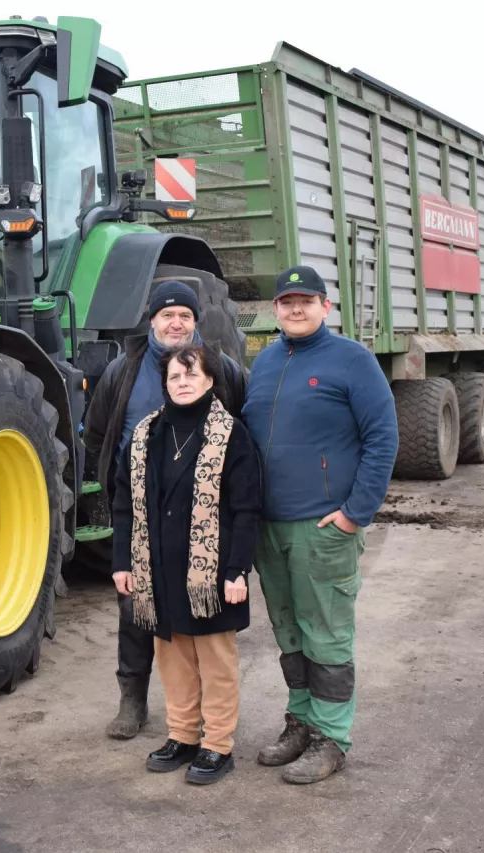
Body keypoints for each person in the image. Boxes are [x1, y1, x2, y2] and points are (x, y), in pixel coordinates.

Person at [241, 265, 398, 784]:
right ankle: (302, 723)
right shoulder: (264, 361)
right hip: (271, 529)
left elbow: (383, 439)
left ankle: (333, 737)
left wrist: (355, 514)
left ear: (325, 306)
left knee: (327, 636)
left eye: (306, 301)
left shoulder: (352, 360)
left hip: (324, 527)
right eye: (286, 302)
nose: (295, 309)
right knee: (289, 633)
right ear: (276, 310)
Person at [83, 279, 248, 740]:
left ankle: (209, 728)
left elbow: (245, 429)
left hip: (205, 522)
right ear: (151, 320)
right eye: (166, 315)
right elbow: (97, 433)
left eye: (185, 316)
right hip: (142, 515)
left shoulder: (224, 370)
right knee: (138, 611)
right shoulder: (123, 371)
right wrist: (122, 488)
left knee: (203, 620)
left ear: (196, 322)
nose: (176, 323)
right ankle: (132, 702)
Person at [110, 343, 261, 785]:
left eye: (191, 376)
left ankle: (217, 744)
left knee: (214, 660)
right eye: (175, 377)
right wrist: (124, 562)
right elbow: (124, 505)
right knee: (172, 656)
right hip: (157, 571)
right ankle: (182, 735)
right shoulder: (145, 436)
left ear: (210, 380)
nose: (182, 383)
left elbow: (247, 509)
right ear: (165, 383)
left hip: (211, 574)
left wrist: (237, 570)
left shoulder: (231, 435)